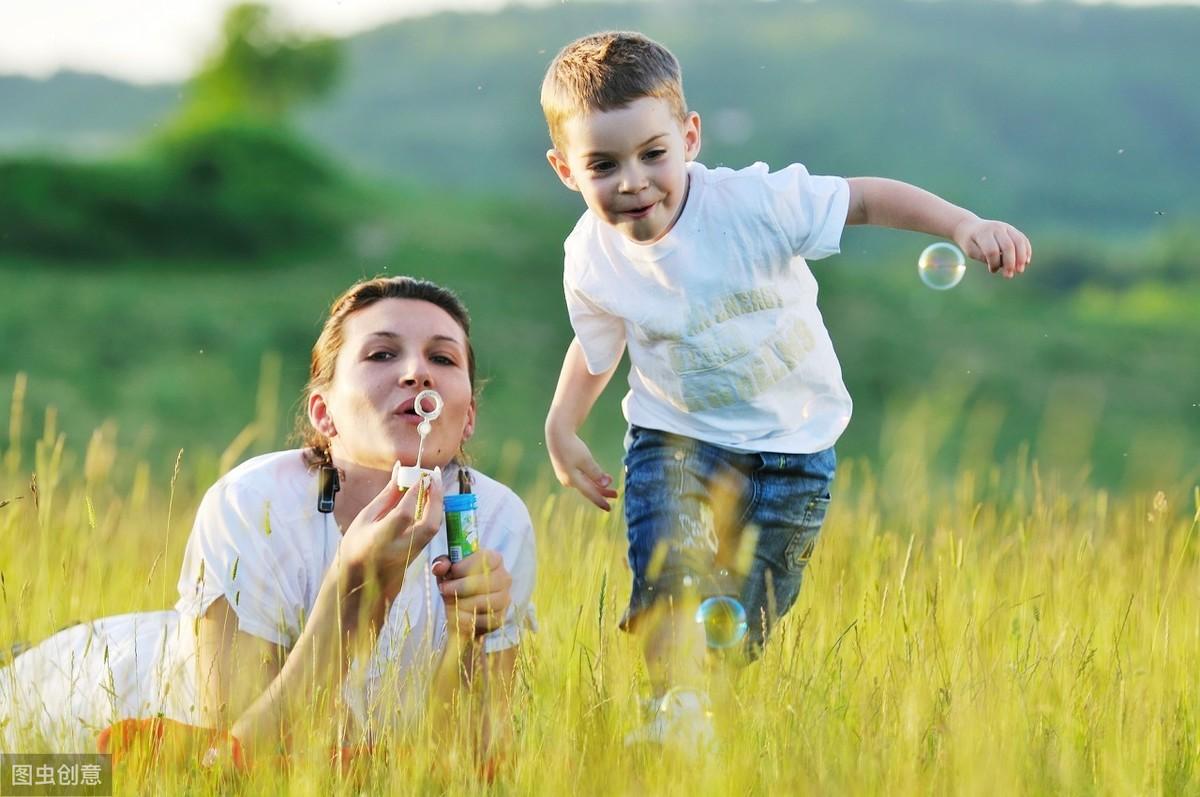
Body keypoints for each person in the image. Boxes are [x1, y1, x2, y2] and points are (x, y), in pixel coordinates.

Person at [539, 31, 1031, 750]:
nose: (633, 181)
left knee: (751, 606)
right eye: (603, 165)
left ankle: (705, 699)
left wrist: (964, 223)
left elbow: (864, 199)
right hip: (673, 436)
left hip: (794, 447)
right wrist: (562, 424)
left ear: (690, 136)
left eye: (653, 154)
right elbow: (597, 347)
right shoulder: (589, 255)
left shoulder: (753, 204)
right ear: (564, 171)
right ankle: (670, 709)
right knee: (668, 566)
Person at [0, 276, 536, 772]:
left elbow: (464, 765)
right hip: (80, 719)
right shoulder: (252, 503)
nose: (417, 372)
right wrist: (350, 599)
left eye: (442, 358)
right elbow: (242, 760)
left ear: (467, 417)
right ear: (324, 414)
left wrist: (468, 639)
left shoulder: (495, 520)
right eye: (381, 353)